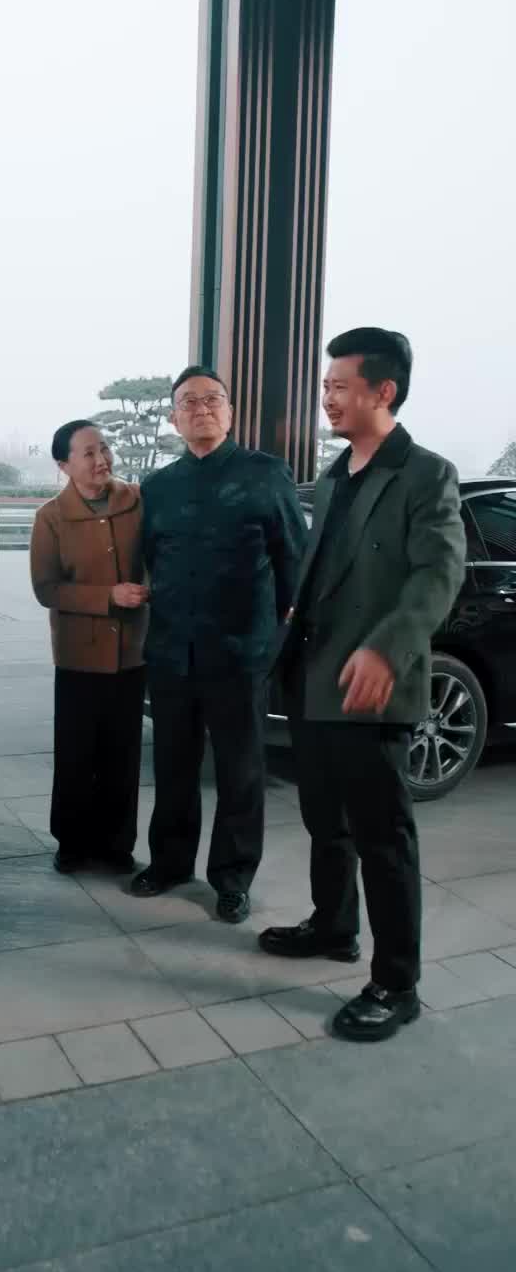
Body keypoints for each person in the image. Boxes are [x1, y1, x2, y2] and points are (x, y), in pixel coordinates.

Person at [259, 328, 465, 1042]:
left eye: (340, 387)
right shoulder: (335, 474)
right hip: (313, 677)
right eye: (325, 387)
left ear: (384, 390)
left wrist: (388, 647)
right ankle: (334, 924)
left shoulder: (425, 474)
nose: (328, 398)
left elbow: (438, 572)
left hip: (370, 685)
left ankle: (396, 984)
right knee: (325, 820)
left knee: (383, 838)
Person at [130, 365, 307, 922]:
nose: (201, 408)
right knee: (173, 767)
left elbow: (293, 563)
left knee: (240, 772)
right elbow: (152, 560)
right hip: (172, 652)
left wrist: (278, 642)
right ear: (174, 417)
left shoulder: (266, 474)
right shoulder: (157, 487)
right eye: (189, 401)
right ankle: (170, 863)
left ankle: (232, 878)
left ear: (230, 412)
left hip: (240, 654)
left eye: (213, 399)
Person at [30, 421, 148, 874]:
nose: (102, 460)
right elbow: (46, 589)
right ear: (64, 465)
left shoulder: (138, 501)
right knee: (76, 753)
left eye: (104, 448)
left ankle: (117, 844)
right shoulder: (51, 517)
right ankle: (73, 842)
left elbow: (159, 558)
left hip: (132, 651)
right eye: (88, 453)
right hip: (78, 654)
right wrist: (107, 597)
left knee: (123, 754)